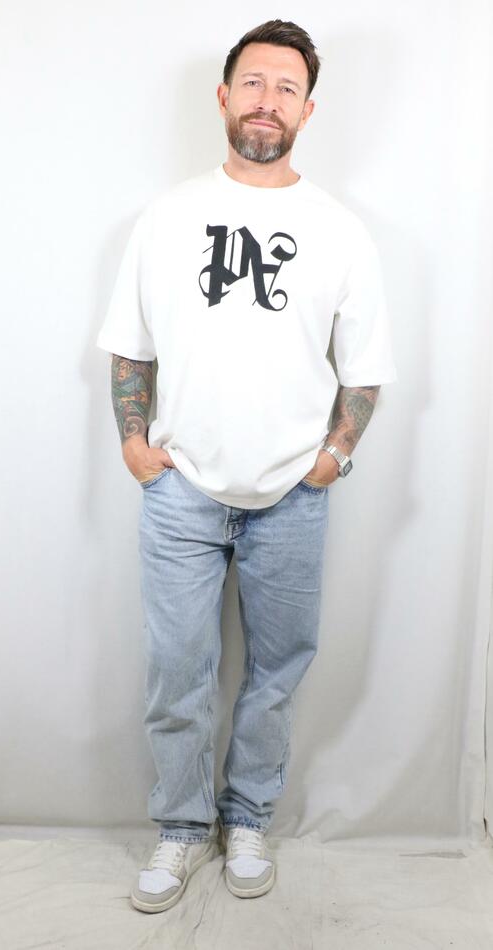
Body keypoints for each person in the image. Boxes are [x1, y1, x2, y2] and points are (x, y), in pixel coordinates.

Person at [96, 18, 397, 913]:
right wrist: (135, 445)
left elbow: (366, 369)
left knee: (277, 672)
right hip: (180, 489)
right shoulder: (166, 217)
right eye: (255, 83)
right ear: (225, 96)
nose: (269, 101)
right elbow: (130, 346)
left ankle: (249, 818)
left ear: (308, 110)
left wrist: (333, 457)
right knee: (177, 672)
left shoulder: (340, 232)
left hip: (293, 495)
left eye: (287, 88)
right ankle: (182, 828)